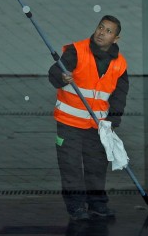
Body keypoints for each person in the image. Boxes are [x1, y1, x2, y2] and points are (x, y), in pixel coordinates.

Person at [48, 15, 129, 221]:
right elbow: (54, 73)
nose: (102, 32)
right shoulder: (76, 51)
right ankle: (76, 207)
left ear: (116, 38)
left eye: (109, 31)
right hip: (69, 123)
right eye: (100, 27)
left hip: (97, 125)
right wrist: (62, 77)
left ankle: (97, 205)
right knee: (71, 167)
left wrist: (112, 123)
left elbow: (120, 96)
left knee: (96, 166)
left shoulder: (119, 64)